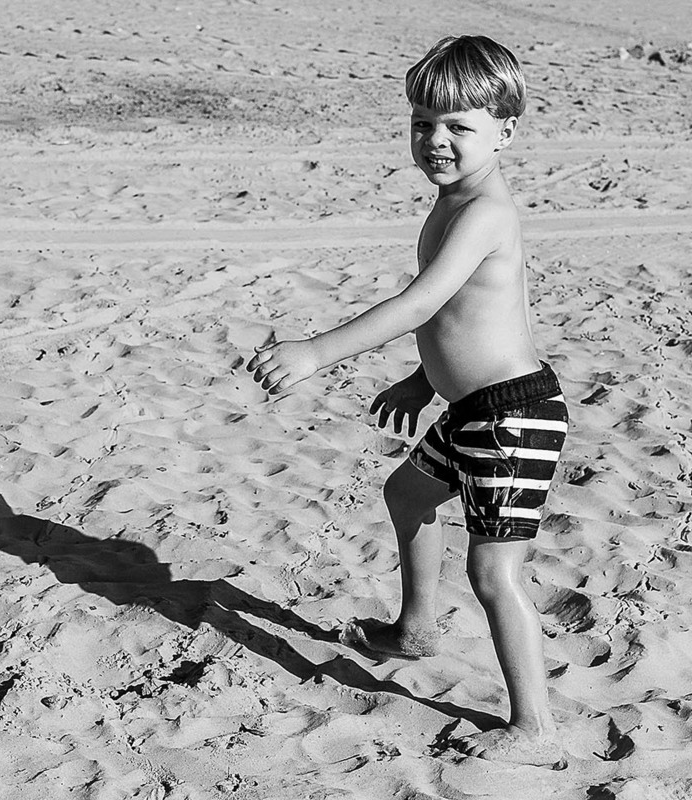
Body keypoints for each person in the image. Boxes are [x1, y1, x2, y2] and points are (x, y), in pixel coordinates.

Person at [246, 35, 568, 767]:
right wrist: (425, 380)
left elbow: (419, 301)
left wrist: (317, 350)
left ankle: (535, 726)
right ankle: (416, 629)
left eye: (459, 125)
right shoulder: (450, 202)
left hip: (512, 415)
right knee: (407, 491)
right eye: (424, 122)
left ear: (506, 130)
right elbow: (466, 315)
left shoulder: (485, 210)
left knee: (494, 573)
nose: (437, 140)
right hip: (472, 408)